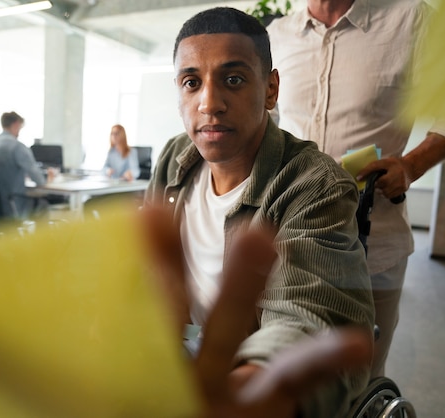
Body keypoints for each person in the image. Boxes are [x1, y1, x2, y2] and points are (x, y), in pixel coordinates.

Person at [144, 7, 375, 417]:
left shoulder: (314, 185)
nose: (209, 103)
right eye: (191, 83)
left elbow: (305, 312)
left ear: (271, 90)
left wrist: (254, 380)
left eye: (233, 80)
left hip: (237, 371)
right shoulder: (174, 158)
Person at [267, 0, 445, 377]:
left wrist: (411, 166)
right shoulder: (277, 35)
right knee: (287, 372)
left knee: (362, 375)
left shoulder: (411, 20)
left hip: (373, 245)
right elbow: (263, 124)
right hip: (289, 240)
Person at [0, 111, 46, 219]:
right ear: (16, 124)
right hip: (12, 203)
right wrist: (48, 177)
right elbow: (39, 180)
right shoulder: (17, 147)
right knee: (43, 205)